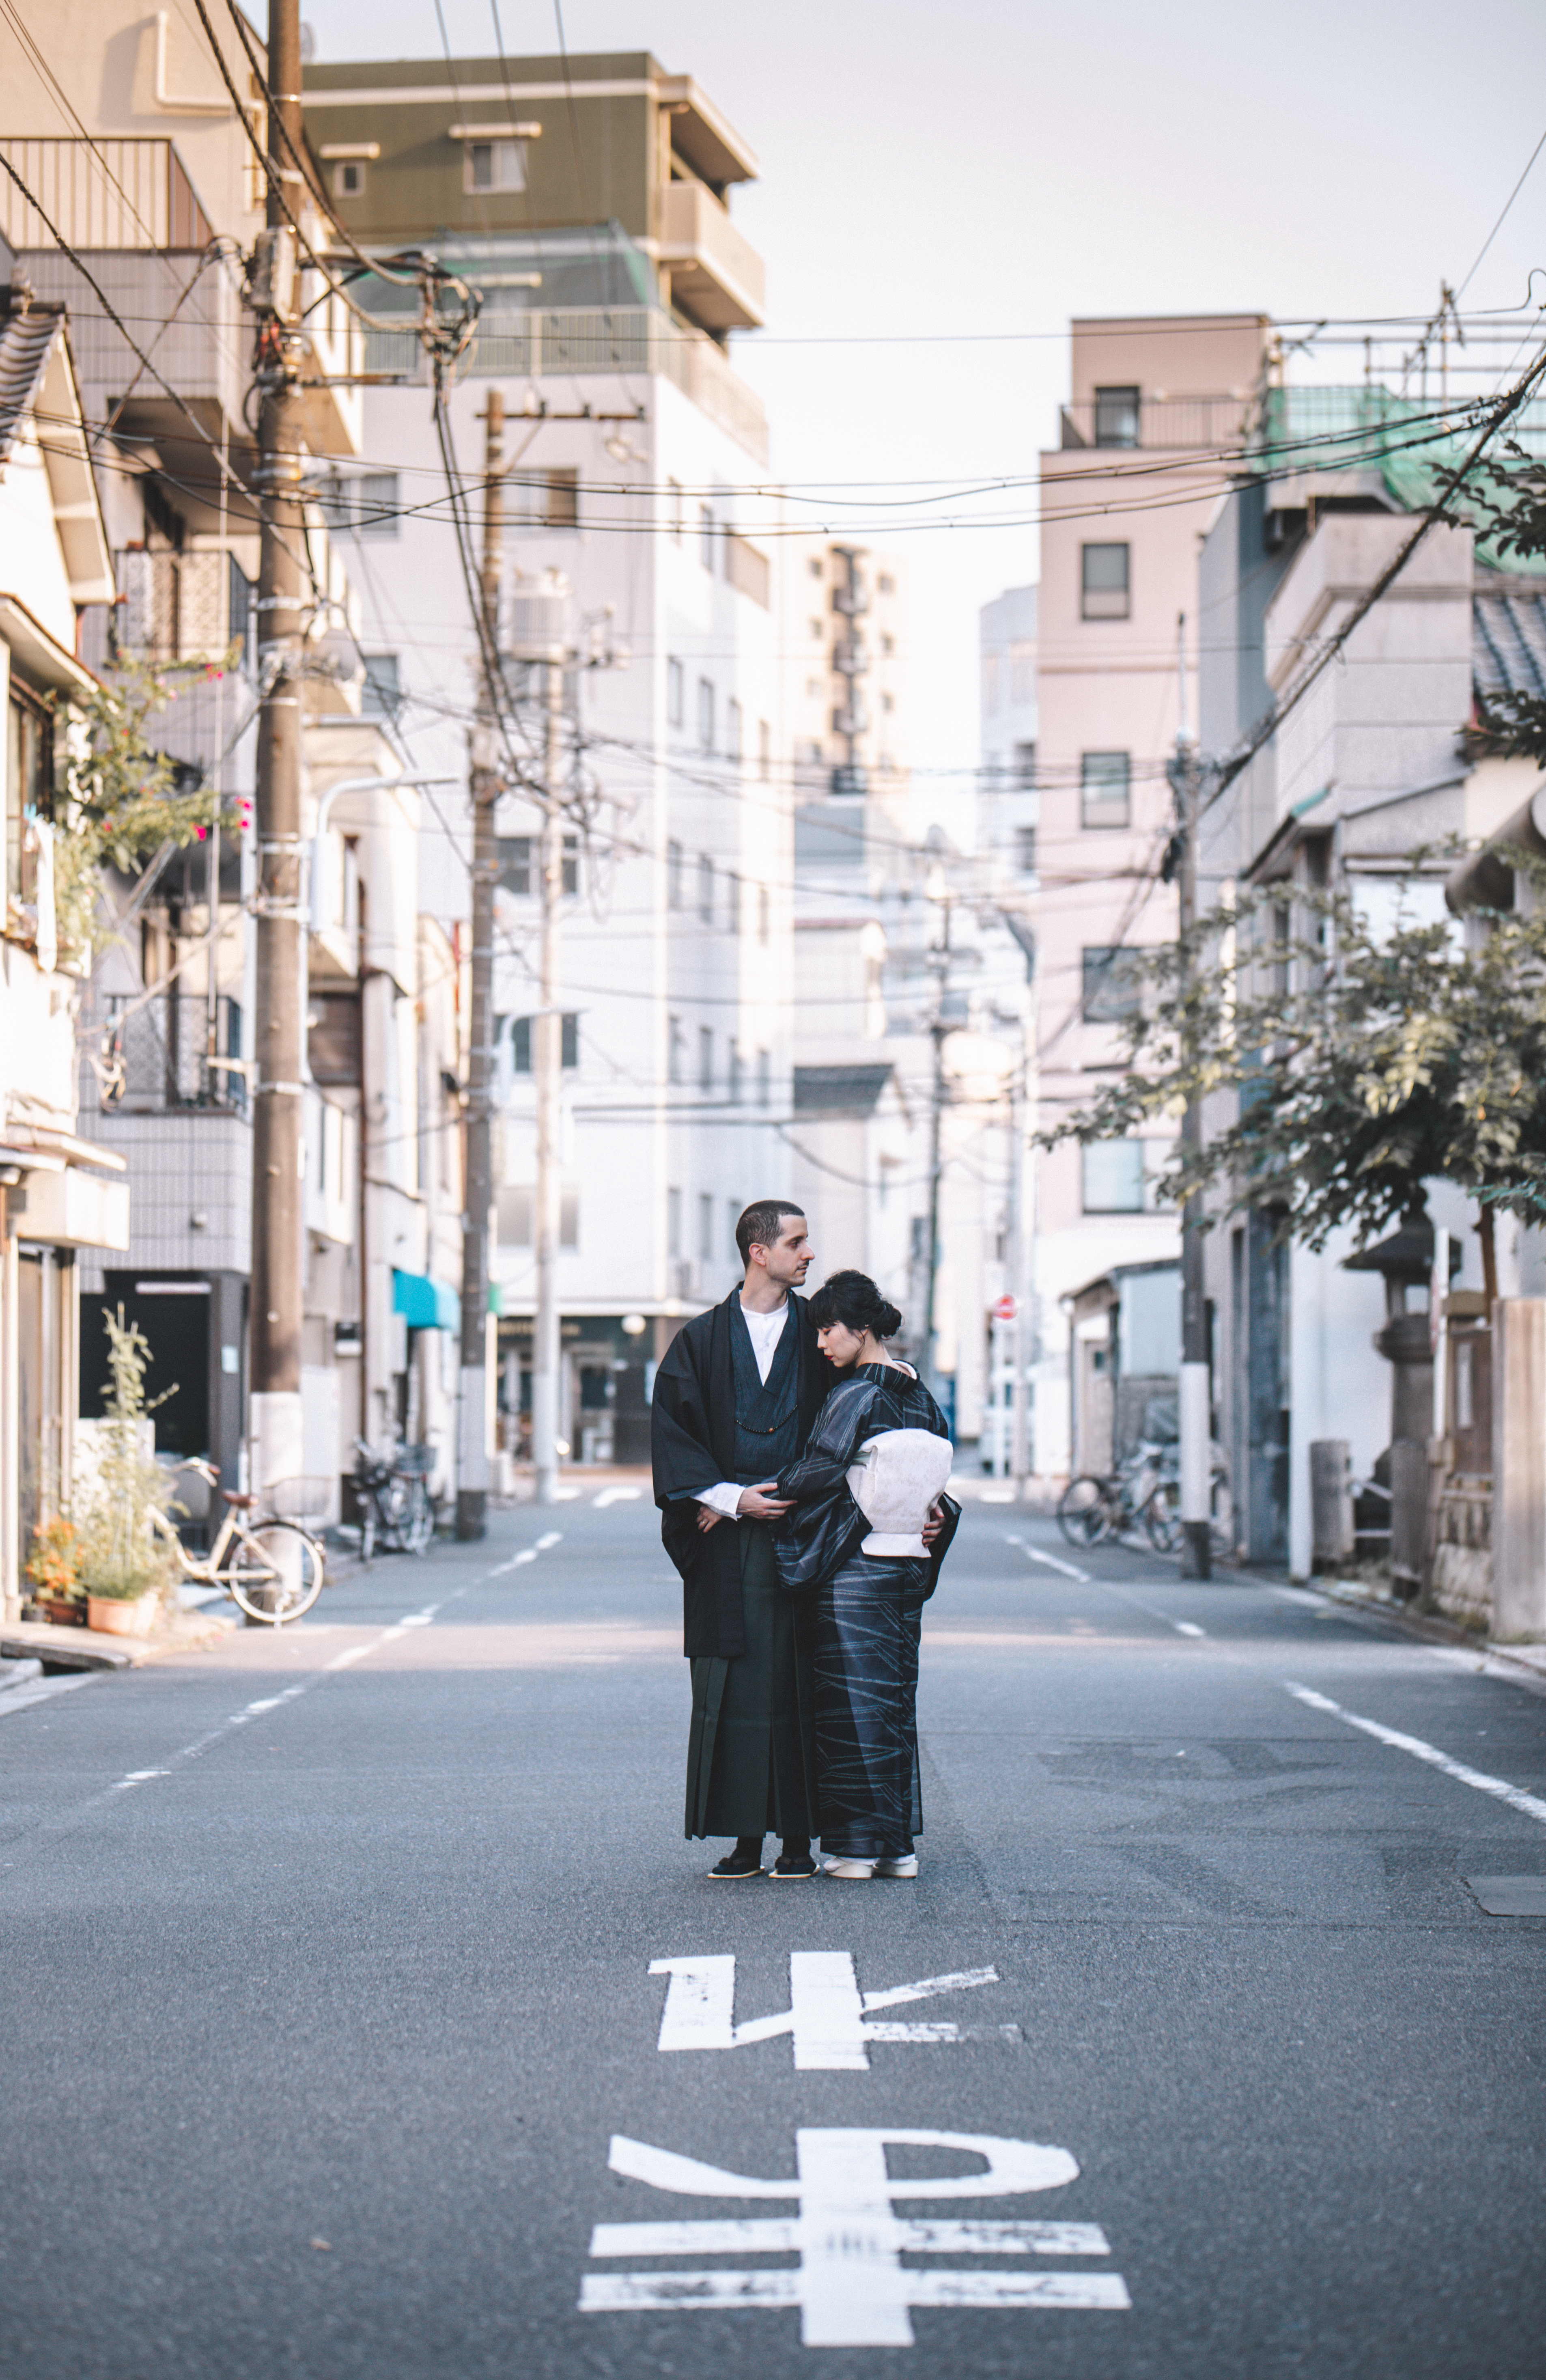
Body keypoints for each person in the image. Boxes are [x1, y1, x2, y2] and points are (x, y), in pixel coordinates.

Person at [651, 1201, 828, 1880]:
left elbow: (861, 1419)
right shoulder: (699, 1340)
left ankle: (799, 1840)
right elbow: (673, 1434)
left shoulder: (821, 1334)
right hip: (727, 1544)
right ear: (759, 1251)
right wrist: (726, 1498)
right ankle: (746, 1839)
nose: (808, 1254)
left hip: (805, 1535)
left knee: (799, 1685)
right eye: (796, 1242)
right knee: (734, 1686)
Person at [771, 1270, 959, 1881]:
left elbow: (820, 1470)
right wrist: (932, 1514)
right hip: (907, 1564)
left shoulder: (856, 1395)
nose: (821, 1343)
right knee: (893, 1701)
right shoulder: (920, 1395)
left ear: (861, 1328)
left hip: (856, 1567)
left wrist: (763, 1490)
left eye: (828, 1329)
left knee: (849, 1703)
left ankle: (855, 1849)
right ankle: (897, 1848)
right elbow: (938, 1484)